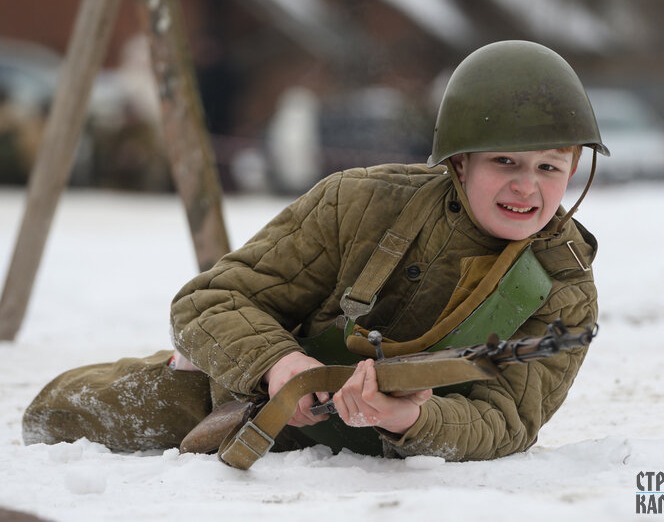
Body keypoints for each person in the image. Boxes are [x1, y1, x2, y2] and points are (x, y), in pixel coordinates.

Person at [22, 40, 609, 461]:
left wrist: (412, 419)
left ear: (573, 170)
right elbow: (209, 302)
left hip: (394, 460)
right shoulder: (361, 202)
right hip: (252, 403)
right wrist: (281, 369)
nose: (526, 187)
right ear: (459, 162)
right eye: (504, 161)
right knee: (55, 414)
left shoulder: (563, 287)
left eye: (548, 167)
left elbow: (507, 422)